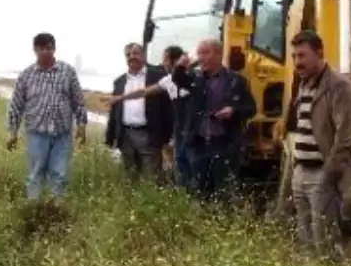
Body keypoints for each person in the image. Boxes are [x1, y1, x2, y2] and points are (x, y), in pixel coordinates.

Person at [283, 30, 351, 256]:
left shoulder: (338, 85)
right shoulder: (303, 83)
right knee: (305, 240)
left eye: (302, 55)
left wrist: (330, 174)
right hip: (301, 172)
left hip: (321, 174)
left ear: (319, 53)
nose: (297, 62)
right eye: (294, 56)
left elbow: (346, 133)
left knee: (325, 242)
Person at [6, 32, 88, 201]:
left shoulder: (67, 72)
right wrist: (12, 133)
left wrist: (81, 126)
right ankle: (34, 210)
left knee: (59, 175)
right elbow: (16, 105)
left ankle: (56, 212)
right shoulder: (26, 75)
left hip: (62, 135)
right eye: (41, 48)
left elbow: (78, 101)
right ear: (35, 50)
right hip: (36, 134)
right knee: (35, 174)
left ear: (54, 49)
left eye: (48, 48)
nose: (45, 52)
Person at [171, 39, 256, 200]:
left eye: (205, 53)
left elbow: (251, 109)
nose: (200, 58)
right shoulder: (195, 79)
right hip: (199, 145)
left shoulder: (236, 81)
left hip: (225, 145)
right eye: (199, 53)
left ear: (218, 55)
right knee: (198, 192)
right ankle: (200, 223)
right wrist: (180, 65)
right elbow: (177, 78)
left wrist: (233, 110)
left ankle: (223, 222)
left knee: (224, 193)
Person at [102, 45, 192, 185]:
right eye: (128, 54)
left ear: (144, 56)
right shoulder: (119, 81)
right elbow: (118, 109)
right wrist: (110, 136)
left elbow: (167, 108)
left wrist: (168, 135)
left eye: (136, 53)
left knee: (153, 176)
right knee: (130, 176)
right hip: (126, 135)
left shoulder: (158, 76)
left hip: (152, 134)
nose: (132, 56)